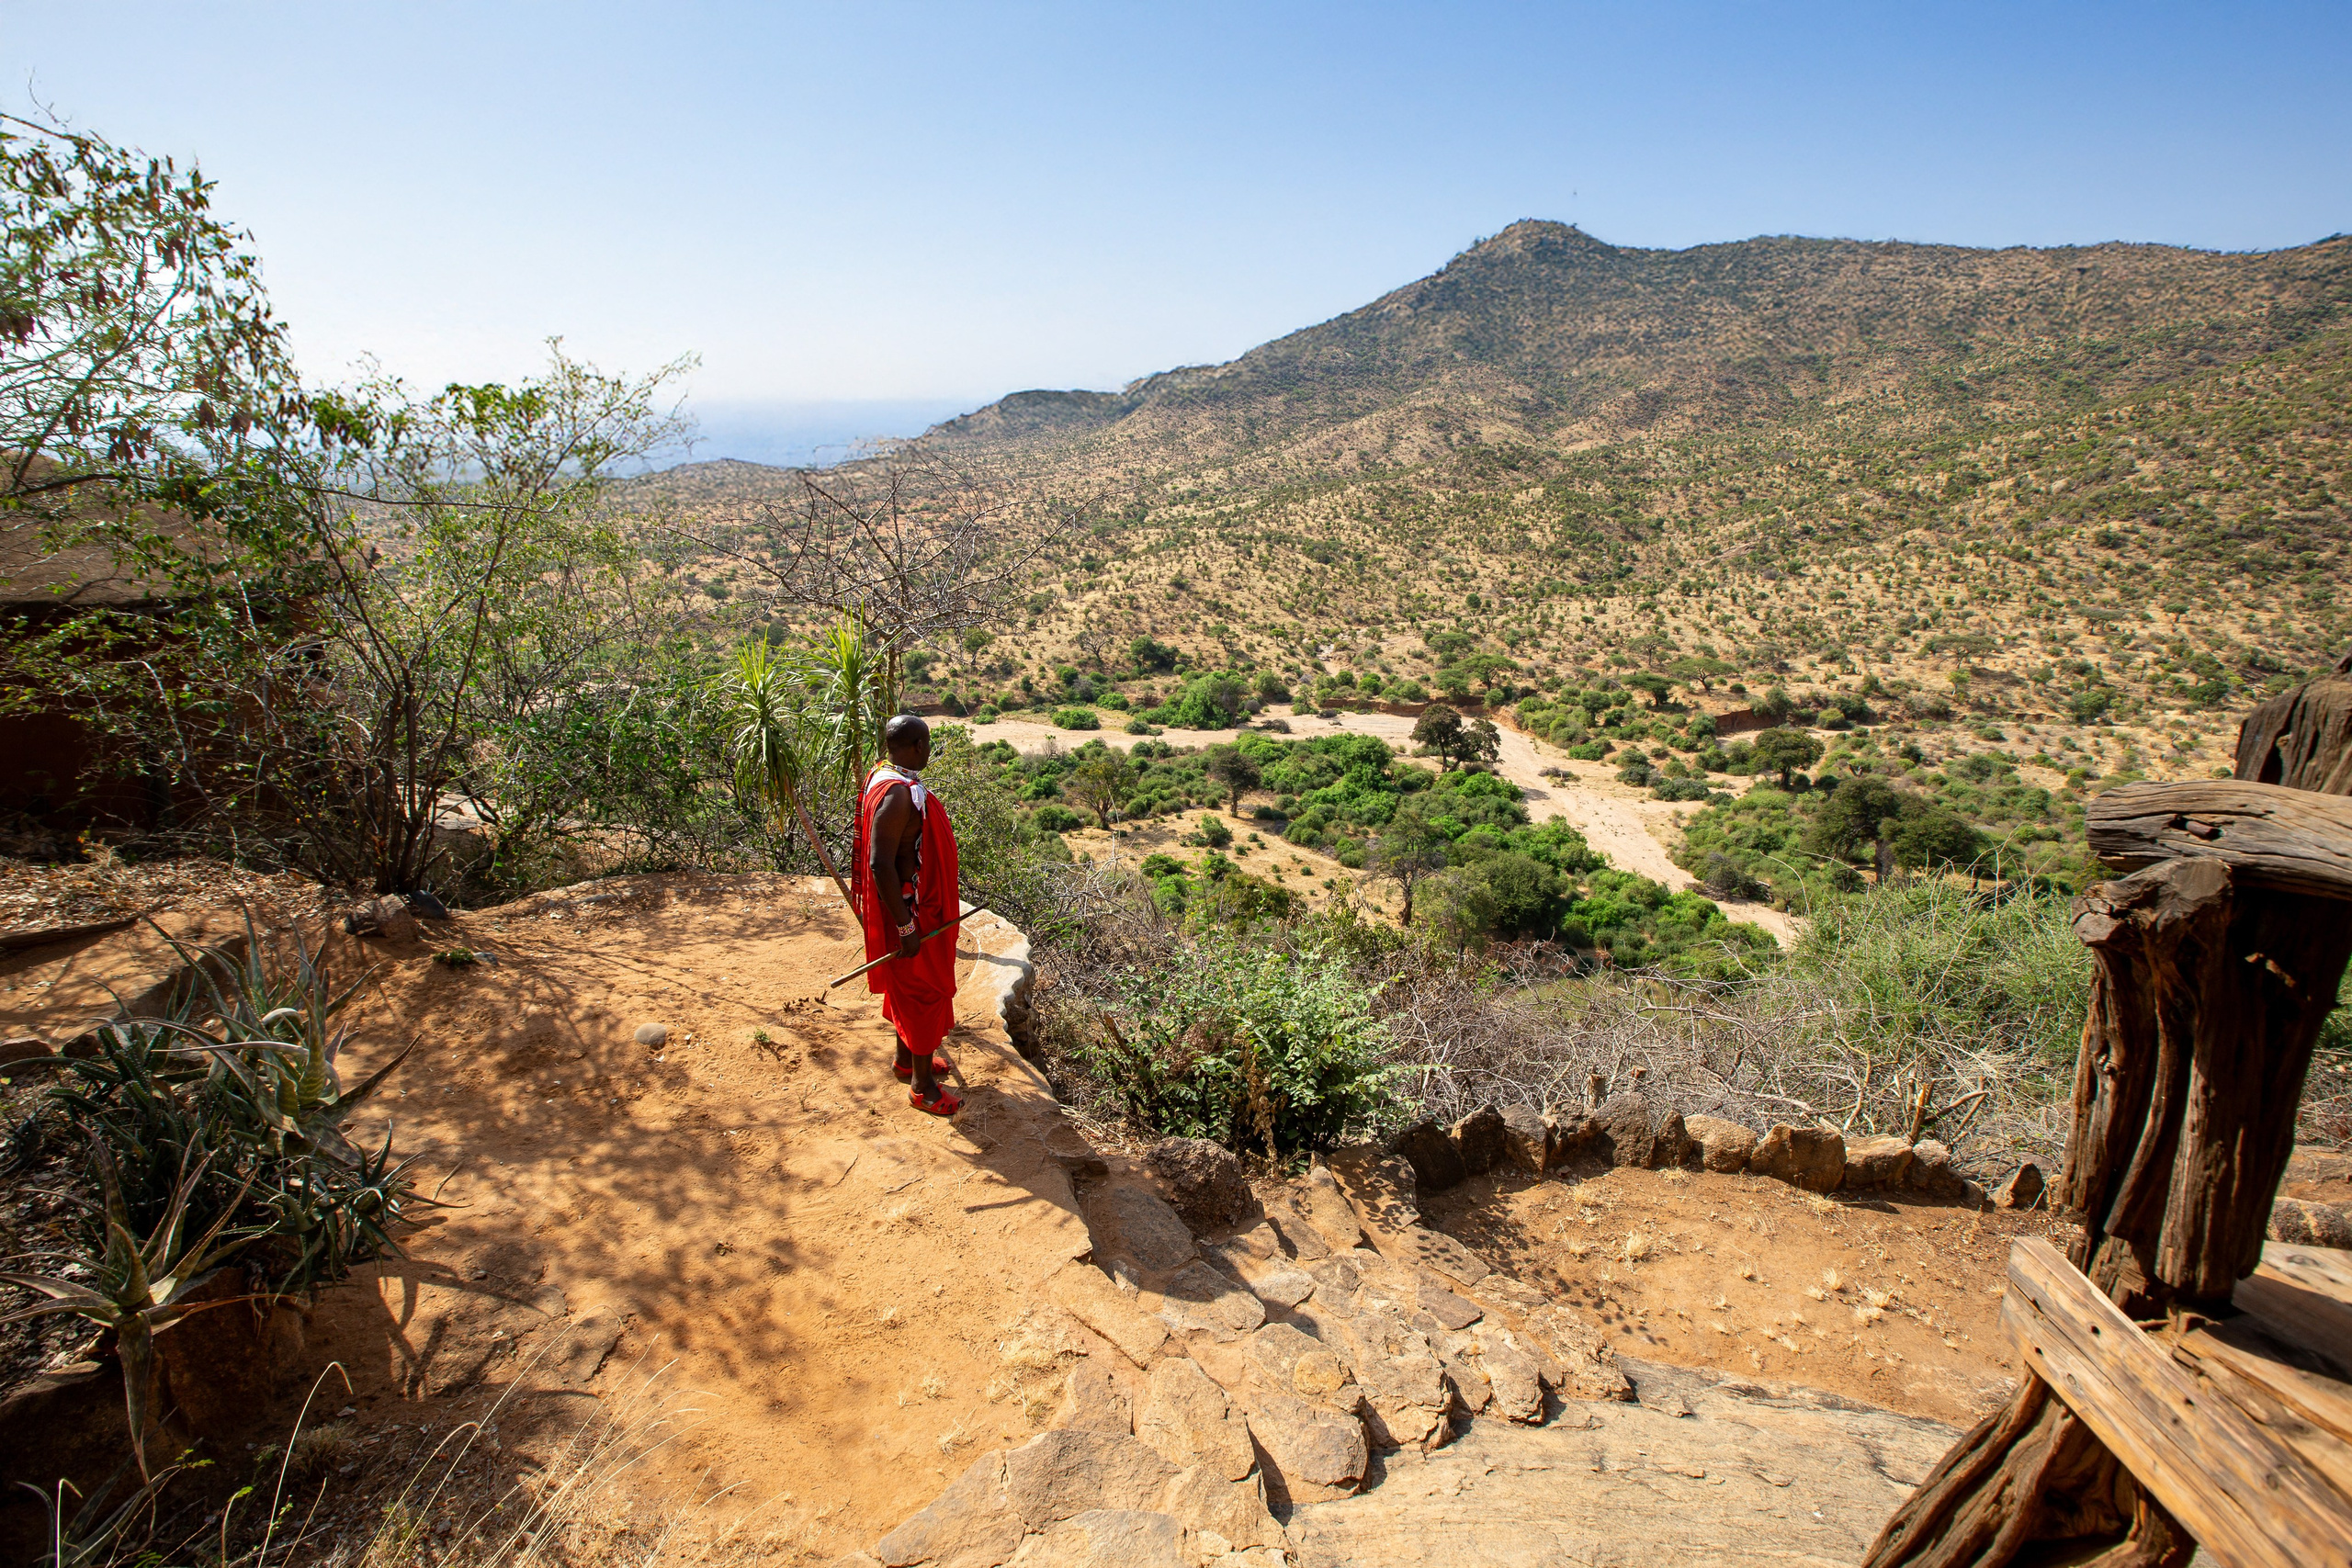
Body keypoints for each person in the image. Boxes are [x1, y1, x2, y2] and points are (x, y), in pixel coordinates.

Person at [854, 714, 964, 1115]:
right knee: (924, 991)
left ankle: (906, 1060)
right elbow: (881, 864)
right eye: (928, 743)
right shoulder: (898, 795)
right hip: (913, 912)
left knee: (909, 986)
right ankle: (923, 1088)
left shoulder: (882, 776)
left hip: (909, 907)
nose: (930, 750)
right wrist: (905, 926)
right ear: (918, 745)